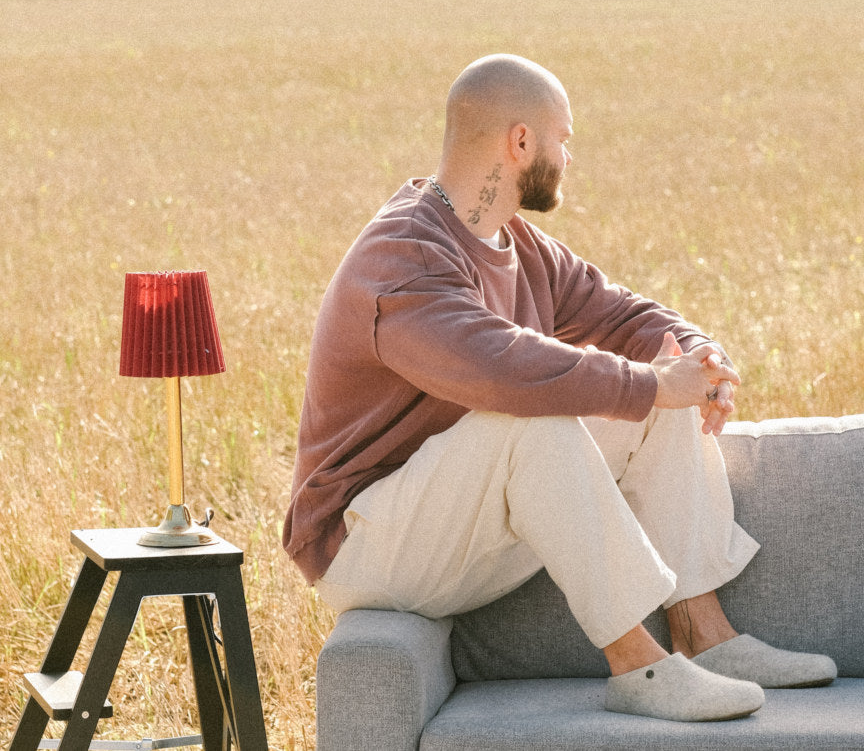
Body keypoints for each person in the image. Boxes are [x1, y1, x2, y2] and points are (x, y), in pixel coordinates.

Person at [283, 54, 836, 722]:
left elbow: (622, 313)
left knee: (657, 401)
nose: (570, 157)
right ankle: (639, 667)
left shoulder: (517, 243)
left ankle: (706, 637)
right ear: (521, 142)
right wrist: (651, 383)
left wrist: (695, 357)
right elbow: (500, 369)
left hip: (456, 528)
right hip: (367, 545)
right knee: (534, 416)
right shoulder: (402, 257)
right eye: (564, 139)